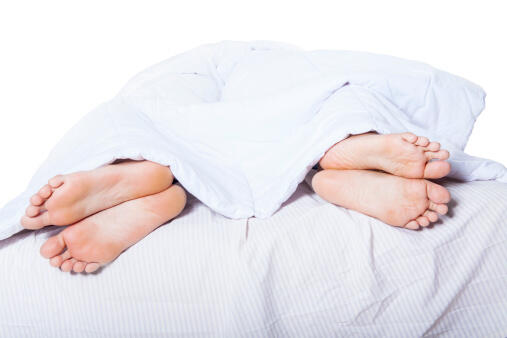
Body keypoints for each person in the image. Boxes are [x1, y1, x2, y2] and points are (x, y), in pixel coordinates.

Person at [19, 131, 450, 273]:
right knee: (333, 102)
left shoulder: (173, 74)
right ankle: (342, 146)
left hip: (180, 107)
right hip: (294, 101)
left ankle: (148, 170)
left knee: (149, 122)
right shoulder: (300, 63)